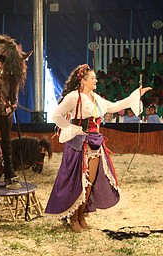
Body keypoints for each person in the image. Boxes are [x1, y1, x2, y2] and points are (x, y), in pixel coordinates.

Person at [45, 64, 151, 233]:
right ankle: (73, 217)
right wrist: (70, 128)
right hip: (79, 143)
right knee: (77, 181)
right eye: (92, 78)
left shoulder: (95, 97)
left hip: (94, 142)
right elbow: (56, 115)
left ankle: (81, 215)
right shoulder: (74, 97)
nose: (96, 80)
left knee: (89, 181)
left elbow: (115, 106)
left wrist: (136, 95)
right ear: (83, 81)